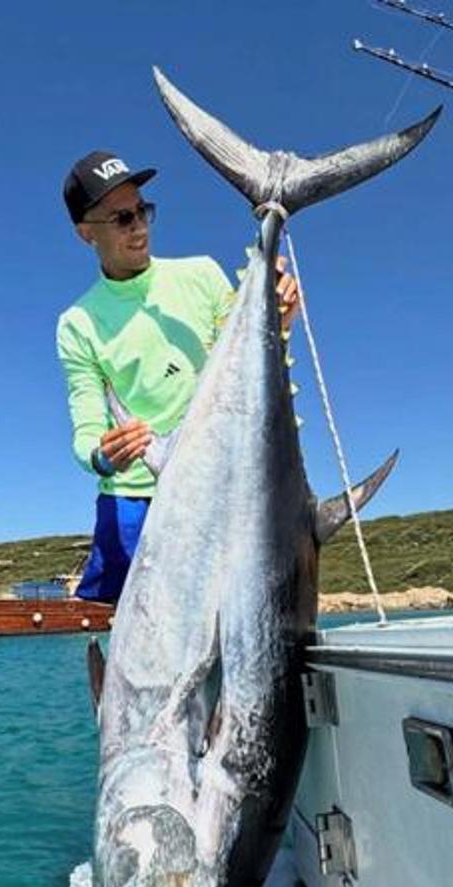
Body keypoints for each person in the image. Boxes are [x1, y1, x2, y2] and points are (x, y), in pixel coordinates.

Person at [56, 150, 298, 603]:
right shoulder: (78, 322)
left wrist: (279, 320)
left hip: (214, 486)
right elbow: (86, 425)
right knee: (129, 637)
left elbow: (242, 373)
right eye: (121, 218)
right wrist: (102, 455)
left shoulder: (202, 274)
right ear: (85, 233)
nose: (139, 226)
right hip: (131, 500)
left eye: (143, 210)